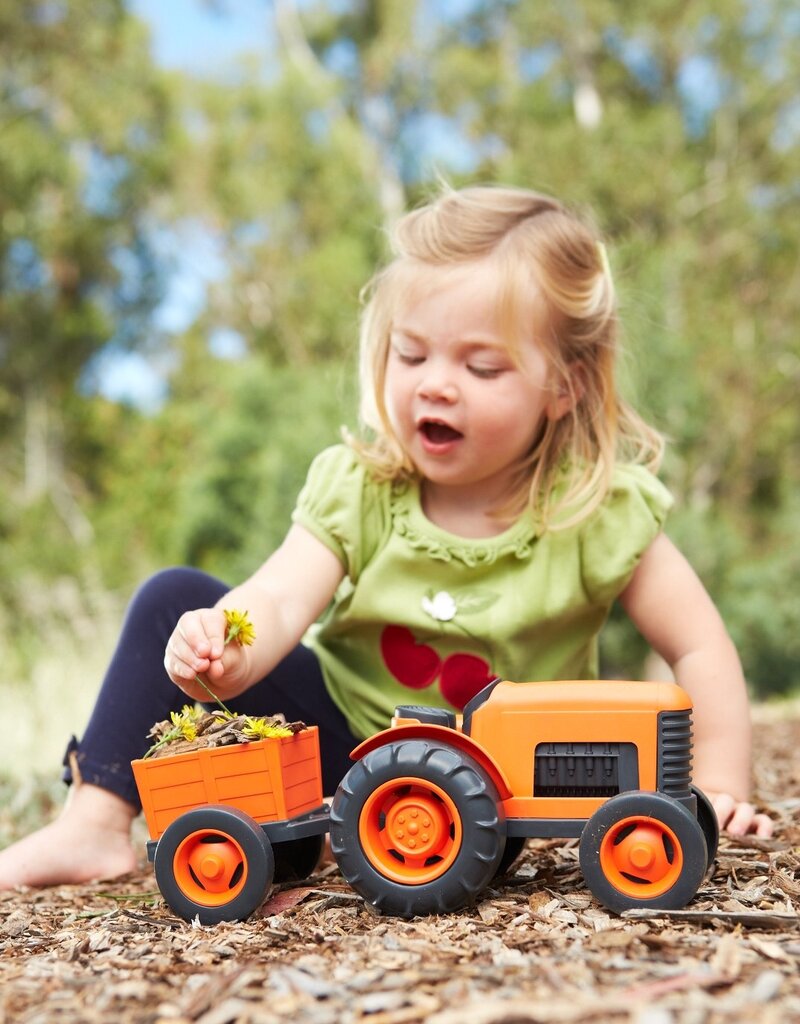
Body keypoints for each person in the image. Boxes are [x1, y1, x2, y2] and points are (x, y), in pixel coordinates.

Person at [0, 184, 772, 890]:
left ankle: (382, 840)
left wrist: (719, 783)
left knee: (492, 812)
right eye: (413, 354)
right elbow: (277, 595)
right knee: (174, 594)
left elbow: (699, 645)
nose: (435, 382)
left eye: (481, 365)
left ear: (563, 386)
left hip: (496, 781)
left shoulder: (596, 511)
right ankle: (94, 825)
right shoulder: (364, 487)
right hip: (339, 751)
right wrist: (228, 644)